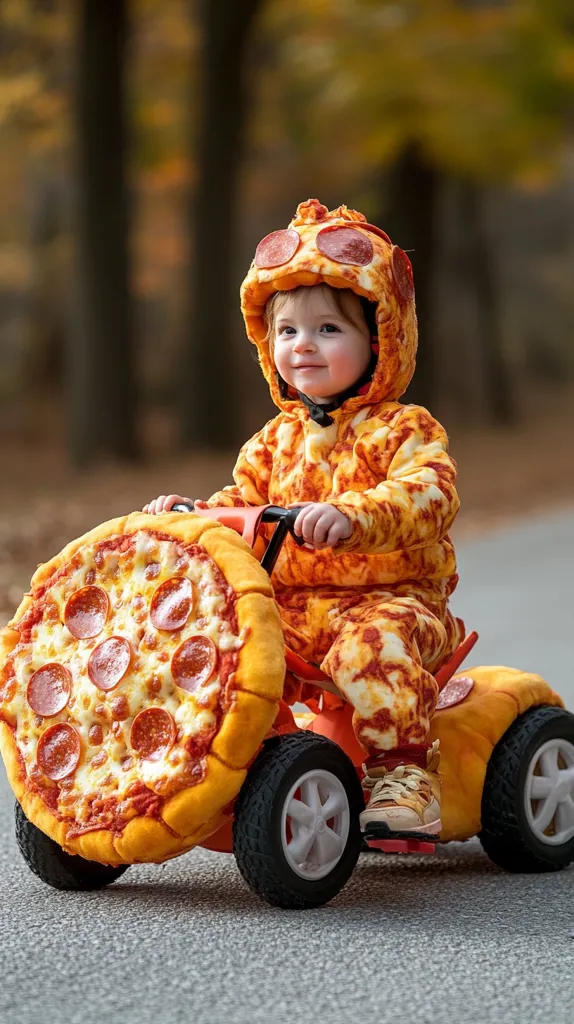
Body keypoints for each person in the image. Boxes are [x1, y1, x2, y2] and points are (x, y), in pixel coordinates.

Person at [142, 198, 464, 838]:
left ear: (380, 340)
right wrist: (190, 517)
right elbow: (240, 508)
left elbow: (430, 494)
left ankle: (404, 775)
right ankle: (216, 763)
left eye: (328, 330)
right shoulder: (271, 443)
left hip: (393, 600)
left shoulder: (405, 429)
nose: (304, 346)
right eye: (287, 332)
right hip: (289, 609)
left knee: (371, 648)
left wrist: (353, 516)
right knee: (218, 645)